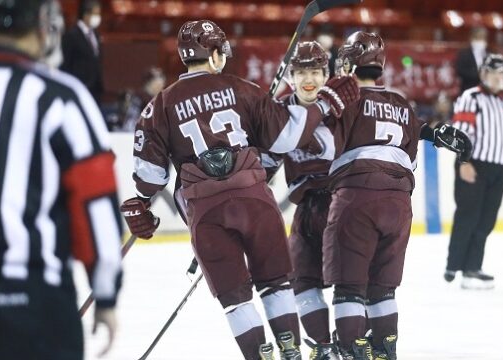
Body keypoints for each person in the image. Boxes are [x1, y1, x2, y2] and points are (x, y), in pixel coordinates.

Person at [119, 20, 359, 360]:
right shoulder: (241, 88)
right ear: (215, 54)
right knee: (275, 283)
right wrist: (322, 106)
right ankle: (290, 351)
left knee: (236, 301)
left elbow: (150, 177)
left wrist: (141, 204)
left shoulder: (158, 106)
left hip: (205, 212)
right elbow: (284, 138)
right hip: (254, 200)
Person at [0, 1, 122, 359]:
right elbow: (96, 202)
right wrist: (105, 295)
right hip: (33, 304)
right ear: (42, 25)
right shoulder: (59, 96)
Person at [323, 31, 471, 359]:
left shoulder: (342, 99)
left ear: (347, 63)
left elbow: (321, 148)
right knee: (383, 287)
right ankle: (385, 348)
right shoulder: (403, 104)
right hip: (399, 204)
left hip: (357, 199)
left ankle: (350, 349)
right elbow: (411, 161)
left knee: (349, 287)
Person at [261, 41, 341, 360]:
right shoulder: (280, 110)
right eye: (302, 72)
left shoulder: (341, 105)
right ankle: (324, 346)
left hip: (342, 204)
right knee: (302, 281)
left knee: (350, 283)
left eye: (316, 72)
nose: (309, 79)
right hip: (307, 209)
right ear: (291, 76)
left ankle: (354, 344)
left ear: (327, 75)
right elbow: (266, 165)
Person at [445, 53, 503, 290]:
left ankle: (472, 268)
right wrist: (464, 162)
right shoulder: (472, 98)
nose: (499, 78)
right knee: (468, 216)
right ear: (484, 74)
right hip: (474, 165)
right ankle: (454, 264)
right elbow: (462, 132)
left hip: (498, 169)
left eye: (502, 73)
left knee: (486, 220)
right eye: (494, 73)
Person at [60, 0, 103, 105]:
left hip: (95, 91)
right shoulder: (72, 35)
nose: (98, 17)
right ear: (86, 14)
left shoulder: (95, 35)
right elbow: (65, 64)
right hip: (79, 89)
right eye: (95, 14)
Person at [455, 27, 488, 93]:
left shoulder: (489, 54)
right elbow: (460, 71)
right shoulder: (464, 54)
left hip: (485, 92)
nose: (480, 41)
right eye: (478, 38)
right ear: (472, 39)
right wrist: (478, 75)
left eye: (482, 38)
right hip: (469, 90)